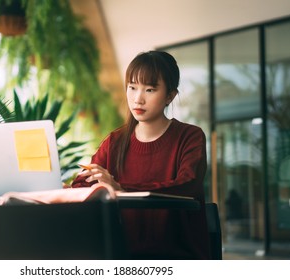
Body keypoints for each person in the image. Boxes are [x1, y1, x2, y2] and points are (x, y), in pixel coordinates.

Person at [71, 50, 210, 259]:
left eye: (150, 89)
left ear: (170, 96)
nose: (138, 99)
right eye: (132, 87)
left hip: (178, 256)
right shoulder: (114, 142)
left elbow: (186, 186)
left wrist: (121, 188)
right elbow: (81, 185)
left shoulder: (190, 136)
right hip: (121, 254)